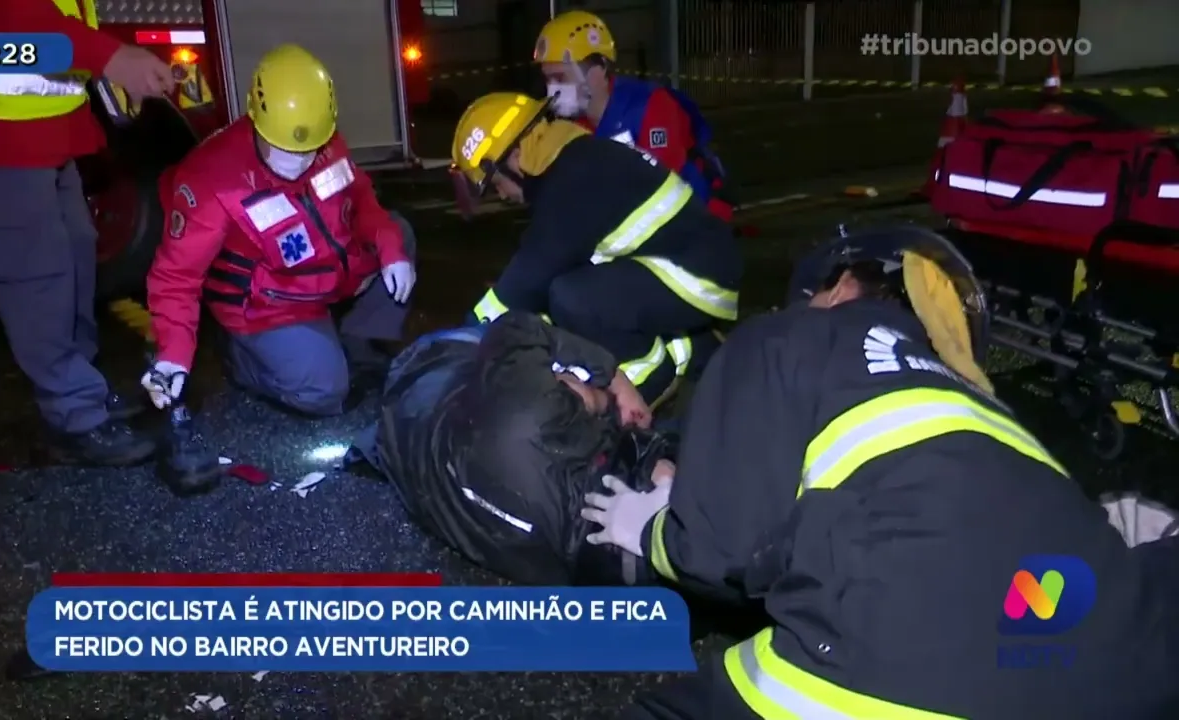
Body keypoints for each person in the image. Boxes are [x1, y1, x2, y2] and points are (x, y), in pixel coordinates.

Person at [582, 226, 1179, 719]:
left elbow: (719, 546)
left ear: (842, 285)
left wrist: (652, 528)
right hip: (1121, 678)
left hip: (900, 678)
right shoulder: (998, 415)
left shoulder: (790, 335)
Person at [0, 0, 178, 464]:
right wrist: (109, 57)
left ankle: (81, 391)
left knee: (74, 248)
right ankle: (74, 417)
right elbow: (4, 17)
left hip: (29, 114)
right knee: (36, 271)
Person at [141, 44, 417, 417]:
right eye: (284, 149)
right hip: (272, 305)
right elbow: (176, 277)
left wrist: (389, 248)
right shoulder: (211, 179)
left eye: (309, 150)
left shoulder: (325, 138)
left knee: (399, 233)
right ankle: (242, 357)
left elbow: (361, 198)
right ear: (255, 120)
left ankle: (357, 343)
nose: (300, 161)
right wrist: (173, 356)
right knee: (323, 394)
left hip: (330, 276)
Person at [449, 92, 740, 407]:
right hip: (689, 264)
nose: (502, 194)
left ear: (515, 156)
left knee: (571, 297)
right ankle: (693, 346)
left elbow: (529, 277)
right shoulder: (573, 160)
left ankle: (647, 377)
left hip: (698, 275)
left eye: (496, 183)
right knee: (564, 297)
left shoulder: (572, 178)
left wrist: (467, 336)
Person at [351, 311, 677, 585]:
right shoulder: (559, 565)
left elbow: (516, 327)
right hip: (411, 431)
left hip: (428, 375)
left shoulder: (529, 409)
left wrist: (615, 382)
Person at [534, 10, 734, 221]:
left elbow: (663, 189)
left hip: (693, 223)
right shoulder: (573, 125)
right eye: (548, 80)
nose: (553, 90)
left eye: (560, 78)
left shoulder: (650, 106)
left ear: (600, 68)